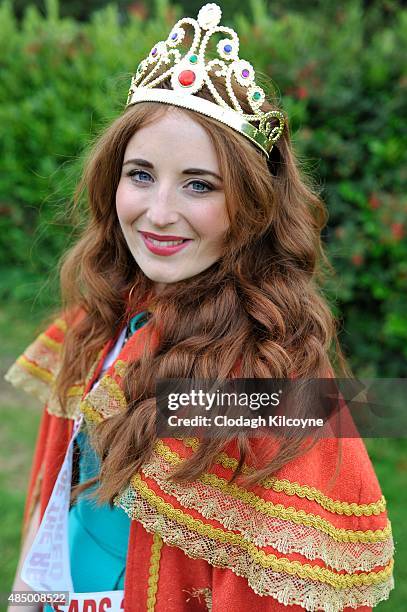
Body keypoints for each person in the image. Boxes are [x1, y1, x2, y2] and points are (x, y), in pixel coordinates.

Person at [5, 3, 394, 611]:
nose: (159, 213)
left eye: (199, 184)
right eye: (140, 174)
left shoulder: (269, 375)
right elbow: (60, 496)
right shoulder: (103, 317)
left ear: (251, 205)